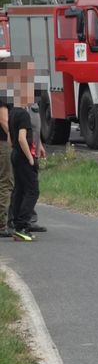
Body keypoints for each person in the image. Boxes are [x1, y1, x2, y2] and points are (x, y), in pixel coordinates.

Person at [9, 58, 39, 241]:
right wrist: (30, 158)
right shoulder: (24, 115)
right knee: (32, 190)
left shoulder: (13, 113)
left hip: (14, 154)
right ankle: (22, 225)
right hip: (22, 155)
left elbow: (10, 138)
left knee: (19, 189)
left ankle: (16, 225)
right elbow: (21, 138)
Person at [0, 62, 14, 238]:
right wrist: (12, 137)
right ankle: (2, 223)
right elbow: (3, 120)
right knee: (6, 182)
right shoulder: (3, 95)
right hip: (3, 143)